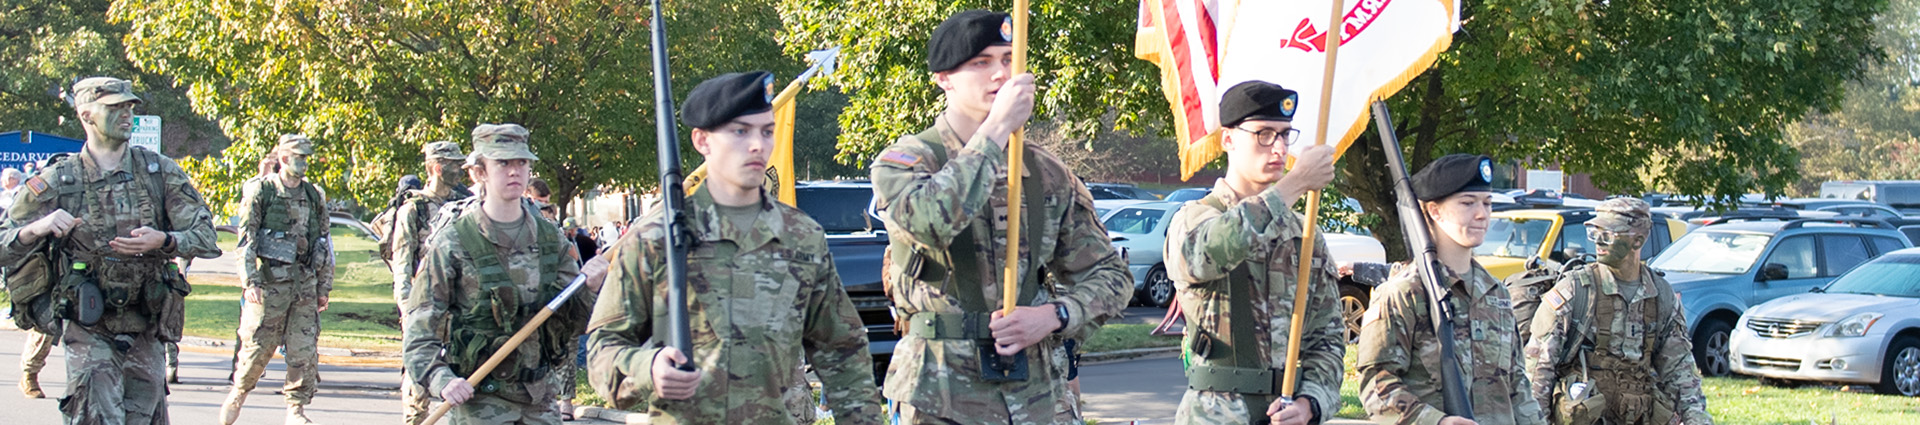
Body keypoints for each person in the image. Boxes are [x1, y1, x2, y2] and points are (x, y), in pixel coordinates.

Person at [868, 10, 1132, 423]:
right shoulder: (907, 161)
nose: (1000, 74)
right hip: (940, 394)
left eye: (1009, 59)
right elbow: (928, 222)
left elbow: (1112, 277)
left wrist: (1055, 316)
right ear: (943, 77)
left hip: (1038, 398)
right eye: (982, 62)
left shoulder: (1046, 174)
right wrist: (995, 130)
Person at [584, 70, 882, 424]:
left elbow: (843, 350)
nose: (758, 144)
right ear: (702, 141)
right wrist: (647, 368)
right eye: (740, 131)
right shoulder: (656, 238)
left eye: (766, 131)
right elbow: (602, 351)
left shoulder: (801, 236)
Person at [0, 76, 220, 424]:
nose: (126, 115)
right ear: (86, 114)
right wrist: (36, 228)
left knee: (144, 415)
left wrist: (164, 240)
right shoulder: (59, 180)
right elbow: (3, 243)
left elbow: (207, 237)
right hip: (90, 324)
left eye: (130, 107)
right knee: (94, 415)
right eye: (115, 107)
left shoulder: (159, 172)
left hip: (147, 323)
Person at [1165, 81, 1341, 425]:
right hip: (1216, 414)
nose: (1278, 147)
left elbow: (1328, 338)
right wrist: (1293, 185)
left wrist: (1311, 403)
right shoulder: (1195, 218)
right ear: (1228, 139)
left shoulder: (1302, 235)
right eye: (1263, 134)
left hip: (1287, 412)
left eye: (1285, 135)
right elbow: (1211, 250)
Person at [403, 123, 598, 424]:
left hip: (540, 401)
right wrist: (441, 379)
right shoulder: (454, 242)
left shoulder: (550, 239)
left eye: (522, 162)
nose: (514, 171)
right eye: (503, 163)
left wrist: (592, 285)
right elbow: (419, 329)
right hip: (480, 401)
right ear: (478, 172)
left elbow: (576, 321)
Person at [1356, 154, 1546, 425]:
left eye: (1487, 203)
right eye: (1468, 203)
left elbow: (1518, 386)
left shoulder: (1497, 295)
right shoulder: (1405, 294)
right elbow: (1376, 385)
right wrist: (1436, 422)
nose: (1482, 214)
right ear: (1434, 211)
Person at [1523, 198, 1712, 424]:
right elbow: (1538, 371)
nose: (1598, 241)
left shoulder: (1660, 296)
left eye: (1609, 234)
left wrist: (1697, 420)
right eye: (1595, 233)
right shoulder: (1576, 290)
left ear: (1638, 241)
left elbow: (1681, 372)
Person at [220, 134, 335, 425]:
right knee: (257, 347)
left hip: (304, 285)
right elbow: (246, 241)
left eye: (307, 157)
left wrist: (324, 286)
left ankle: (295, 410)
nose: (305, 163)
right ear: (284, 159)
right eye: (300, 157)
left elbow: (323, 242)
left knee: (303, 350)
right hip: (270, 285)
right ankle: (238, 393)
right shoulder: (262, 191)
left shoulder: (313, 195)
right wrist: (250, 282)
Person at [382, 141, 472, 425]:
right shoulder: (414, 209)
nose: (460, 170)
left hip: (460, 305)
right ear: (436, 167)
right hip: (425, 302)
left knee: (462, 369)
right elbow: (402, 263)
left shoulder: (464, 207)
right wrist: (408, 309)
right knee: (419, 372)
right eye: (454, 165)